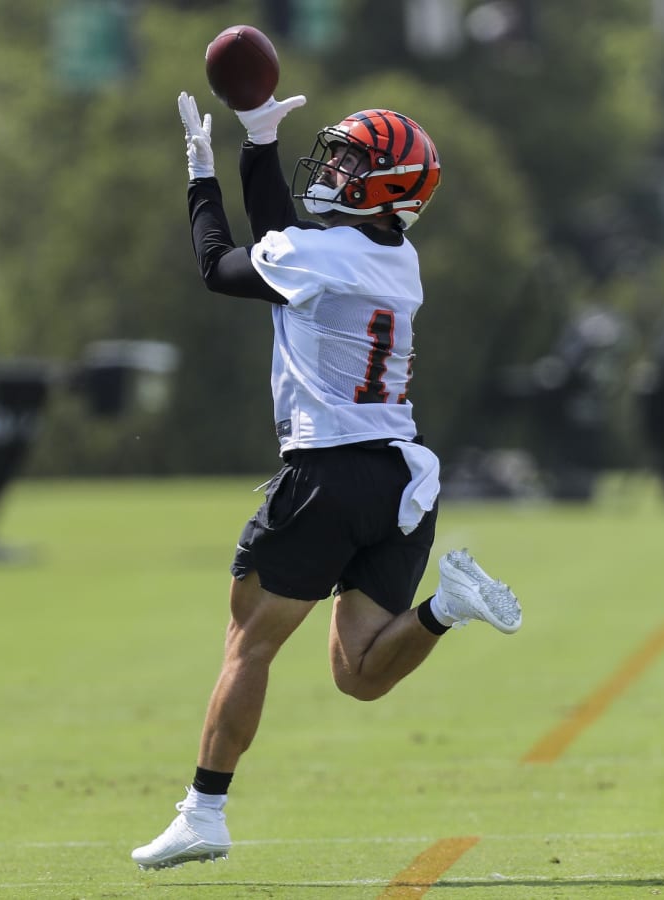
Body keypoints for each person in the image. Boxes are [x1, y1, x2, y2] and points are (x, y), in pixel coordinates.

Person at [131, 89, 523, 871]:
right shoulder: (394, 257)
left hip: (328, 473)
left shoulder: (326, 256)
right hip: (401, 481)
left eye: (352, 161)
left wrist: (203, 174)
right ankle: (447, 606)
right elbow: (284, 236)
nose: (336, 167)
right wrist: (260, 139)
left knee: (247, 644)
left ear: (387, 184)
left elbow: (220, 265)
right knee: (360, 676)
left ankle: (204, 812)